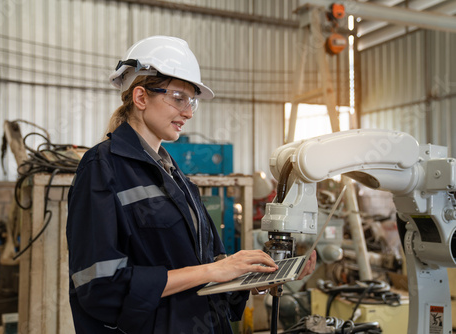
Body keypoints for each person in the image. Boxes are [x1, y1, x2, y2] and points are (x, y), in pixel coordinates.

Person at [66, 35, 316, 334]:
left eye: (192, 101)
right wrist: (212, 270)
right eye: (178, 98)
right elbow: (100, 287)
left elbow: (205, 268)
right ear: (141, 97)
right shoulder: (101, 168)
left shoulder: (176, 177)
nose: (188, 112)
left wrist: (255, 277)